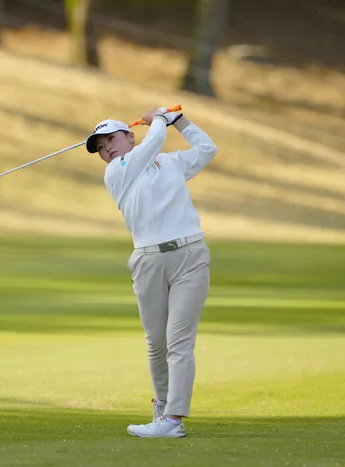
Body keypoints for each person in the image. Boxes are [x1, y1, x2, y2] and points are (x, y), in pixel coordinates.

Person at [85, 106, 218, 438]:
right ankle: (161, 409)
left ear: (130, 136)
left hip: (190, 255)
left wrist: (179, 121)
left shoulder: (169, 163)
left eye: (111, 140)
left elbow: (207, 149)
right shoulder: (116, 172)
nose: (106, 149)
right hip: (148, 261)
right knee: (157, 343)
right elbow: (154, 140)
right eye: (100, 147)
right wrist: (158, 118)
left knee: (179, 341)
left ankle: (173, 420)